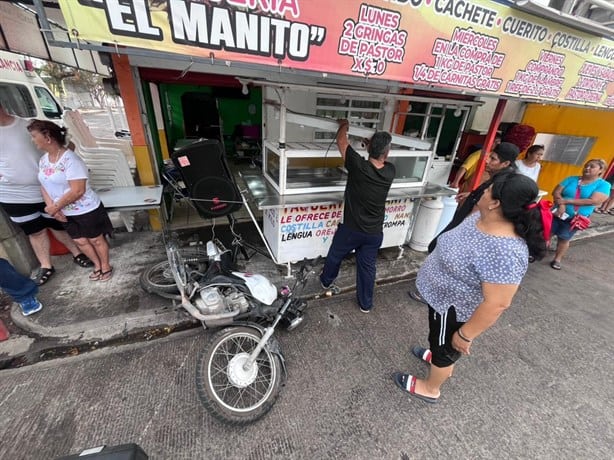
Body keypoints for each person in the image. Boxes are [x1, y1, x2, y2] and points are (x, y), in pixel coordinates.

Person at [393, 173, 550, 403]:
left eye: (488, 190)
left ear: (496, 203)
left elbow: (498, 302)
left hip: (453, 309)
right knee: (438, 338)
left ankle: (431, 386)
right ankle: (438, 356)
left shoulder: (505, 251)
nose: (483, 191)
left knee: (445, 348)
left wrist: (465, 336)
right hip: (441, 299)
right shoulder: (481, 217)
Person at [409, 142, 521, 304]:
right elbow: (483, 197)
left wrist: (464, 231)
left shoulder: (502, 183)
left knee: (446, 262)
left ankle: (433, 296)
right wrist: (472, 195)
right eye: (490, 156)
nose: (488, 161)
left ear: (505, 164)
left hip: (467, 230)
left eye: (493, 159)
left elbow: (486, 210)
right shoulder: (497, 178)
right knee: (438, 251)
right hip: (464, 225)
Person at [0, 101, 93, 285]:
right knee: (34, 231)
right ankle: (46, 265)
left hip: (47, 189)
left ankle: (77, 253)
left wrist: (60, 165)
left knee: (58, 224)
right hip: (12, 194)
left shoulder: (29, 125)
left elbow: (67, 145)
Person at [319, 119, 395, 313]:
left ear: (368, 149)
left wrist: (344, 124)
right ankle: (365, 304)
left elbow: (341, 141)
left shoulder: (358, 166)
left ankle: (326, 282)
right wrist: (371, 146)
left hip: (351, 229)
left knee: (335, 255)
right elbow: (377, 158)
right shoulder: (390, 171)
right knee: (367, 268)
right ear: (386, 153)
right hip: (374, 232)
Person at [27, 120, 115, 281]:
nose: (32, 140)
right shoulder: (44, 160)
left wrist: (55, 207)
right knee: (80, 241)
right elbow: (44, 185)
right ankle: (97, 265)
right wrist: (52, 207)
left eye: (34, 136)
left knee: (96, 239)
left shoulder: (71, 160)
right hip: (62, 210)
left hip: (86, 209)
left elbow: (78, 190)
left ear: (47, 137)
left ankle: (106, 265)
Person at [550, 159, 611, 270]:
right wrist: (561, 205)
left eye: (592, 166)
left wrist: (566, 201)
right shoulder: (571, 179)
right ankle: (535, 252)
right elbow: (556, 192)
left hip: (575, 218)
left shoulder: (603, 185)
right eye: (586, 165)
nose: (587, 168)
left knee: (564, 238)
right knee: (546, 232)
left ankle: (557, 259)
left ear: (600, 170)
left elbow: (594, 201)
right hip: (557, 213)